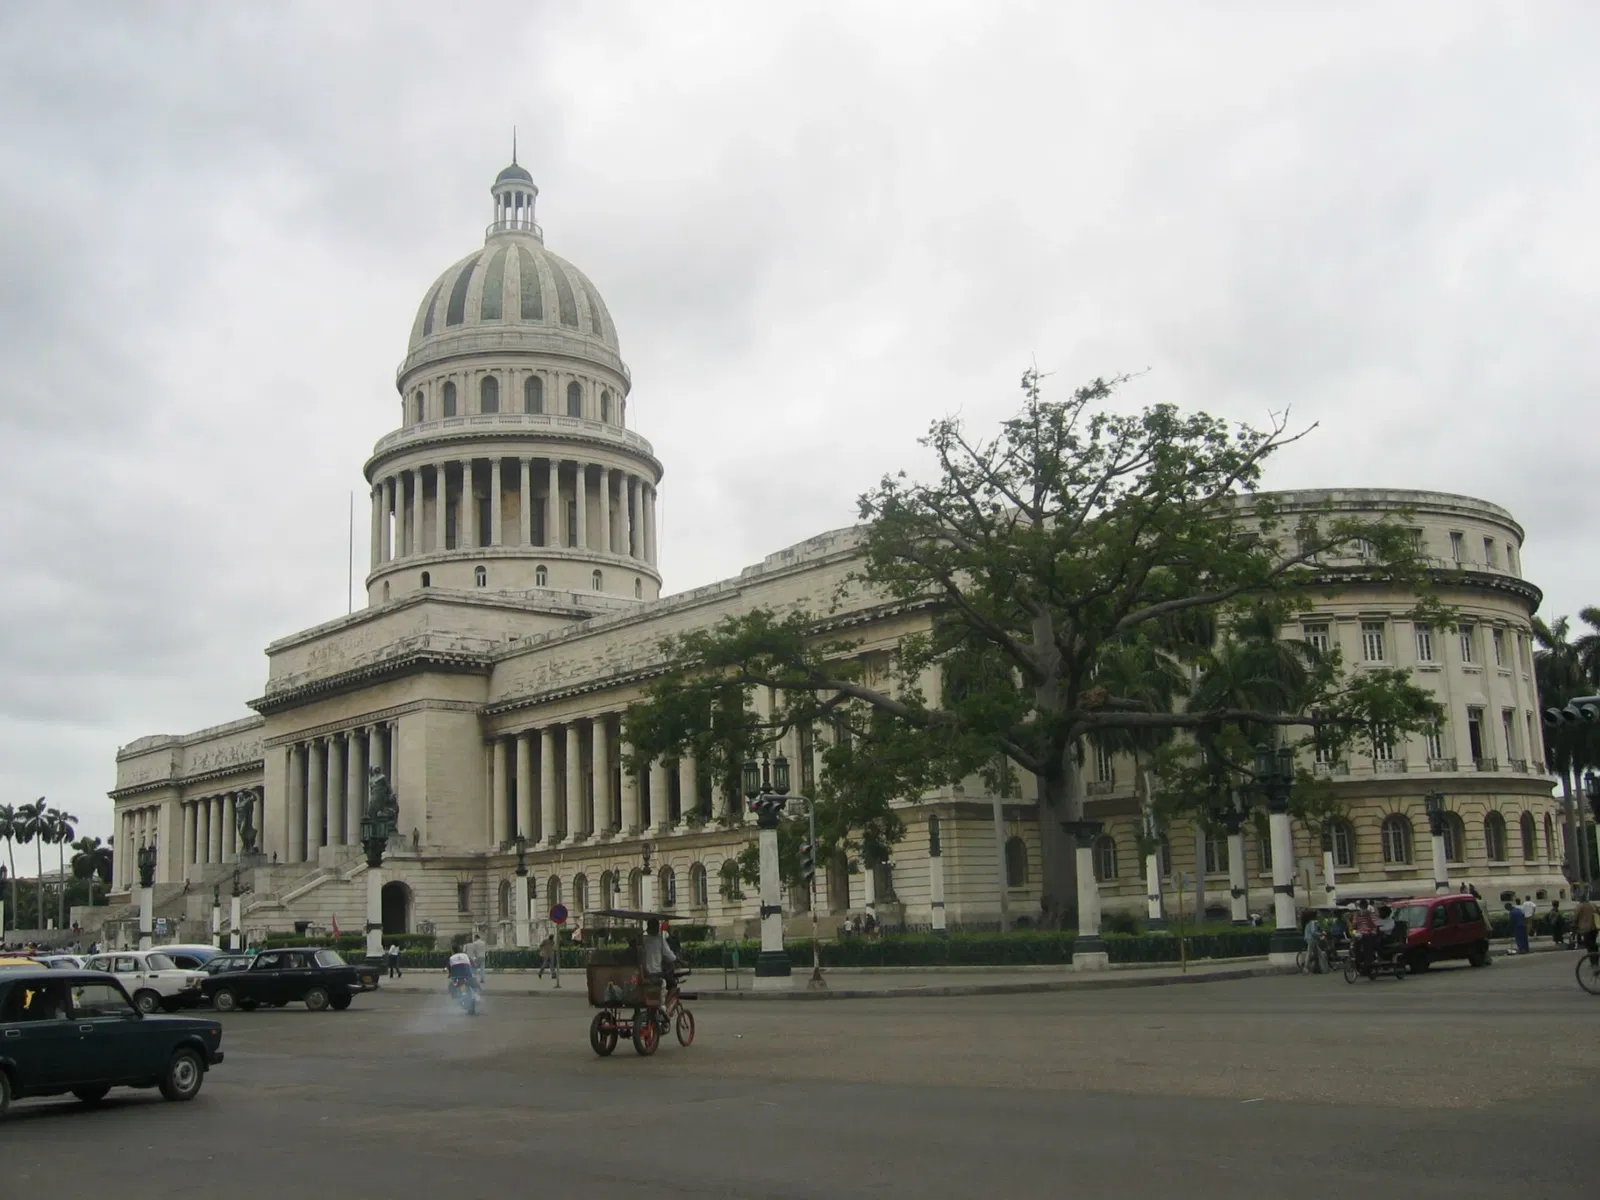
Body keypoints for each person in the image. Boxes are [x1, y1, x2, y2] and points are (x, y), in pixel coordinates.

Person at [640, 918, 679, 987]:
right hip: (655, 972)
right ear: (657, 928)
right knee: (672, 983)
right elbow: (670, 956)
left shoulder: (642, 939)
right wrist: (680, 961)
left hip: (643, 972)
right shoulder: (660, 940)